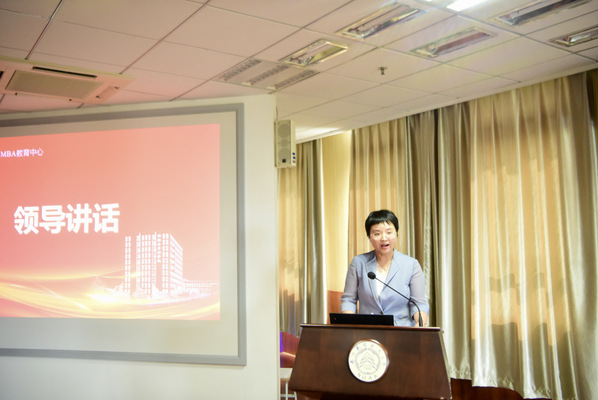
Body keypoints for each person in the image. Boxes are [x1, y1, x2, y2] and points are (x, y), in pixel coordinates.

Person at [340, 209, 429, 327]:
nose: (384, 238)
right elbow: (349, 300)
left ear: (396, 234)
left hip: (401, 331)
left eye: (389, 232)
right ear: (369, 237)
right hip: (367, 331)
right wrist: (349, 326)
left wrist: (420, 324)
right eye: (377, 234)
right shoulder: (358, 263)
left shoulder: (411, 265)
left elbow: (419, 304)